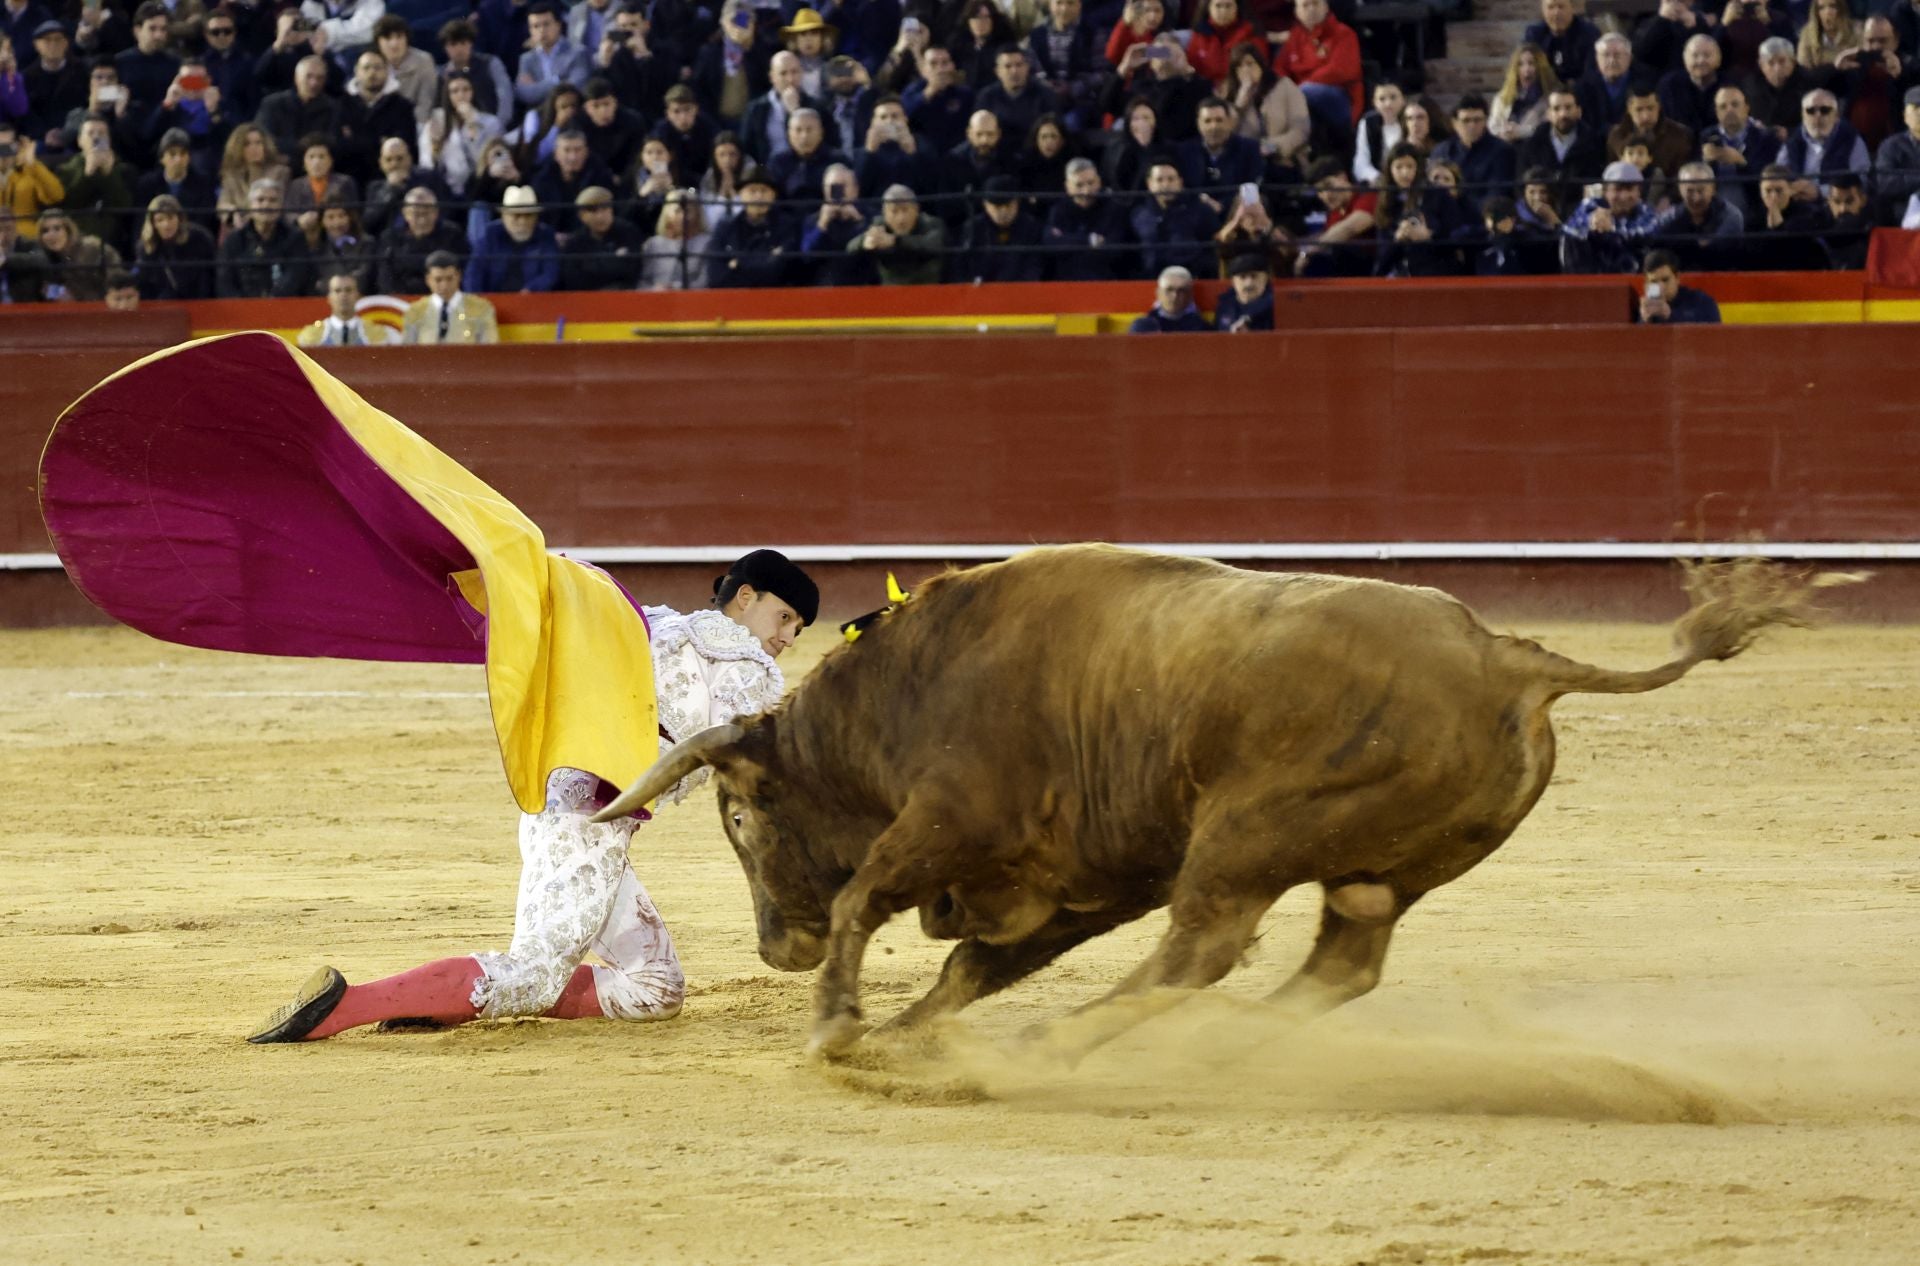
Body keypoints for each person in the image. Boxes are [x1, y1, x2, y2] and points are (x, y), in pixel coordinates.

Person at [249, 548, 820, 1044]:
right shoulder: (750, 668)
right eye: (785, 616)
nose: (787, 639)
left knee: (655, 988)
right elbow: (758, 766)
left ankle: (438, 1000)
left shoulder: (650, 623)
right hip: (590, 824)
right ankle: (349, 1004)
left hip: (566, 801)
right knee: (534, 974)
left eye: (798, 630)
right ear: (745, 596)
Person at [1273, 0, 1360, 151]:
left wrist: (1296, 90)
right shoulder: (1294, 38)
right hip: (1303, 102)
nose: (1311, 9)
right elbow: (1279, 69)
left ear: (1326, 7)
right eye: (1305, 5)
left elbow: (1340, 70)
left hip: (1340, 99)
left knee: (1306, 93)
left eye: (1315, 4)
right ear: (1297, 11)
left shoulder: (1344, 33)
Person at [1515, 88, 1605, 216]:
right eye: (1557, 109)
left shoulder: (1595, 144)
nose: (1563, 114)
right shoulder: (1532, 144)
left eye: (1568, 108)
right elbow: (1521, 184)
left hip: (1580, 215)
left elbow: (1596, 185)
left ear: (1579, 111)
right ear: (1548, 114)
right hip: (1538, 216)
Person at [216, 177, 310, 296]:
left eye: (273, 200)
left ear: (281, 205)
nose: (267, 205)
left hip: (284, 307)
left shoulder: (295, 238)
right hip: (242, 309)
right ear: (250, 205)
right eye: (260, 200)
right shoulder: (234, 240)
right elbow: (225, 282)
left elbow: (296, 276)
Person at [1562, 158, 1657, 273]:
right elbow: (1571, 227)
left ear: (1638, 192)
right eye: (1617, 189)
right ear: (1605, 192)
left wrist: (1610, 230)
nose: (1624, 196)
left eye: (1629, 189)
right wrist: (1592, 221)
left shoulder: (1646, 211)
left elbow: (1644, 235)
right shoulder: (1591, 204)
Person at [706, 165, 794, 286]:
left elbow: (784, 272)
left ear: (773, 195)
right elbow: (716, 276)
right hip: (734, 299)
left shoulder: (787, 226)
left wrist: (737, 264)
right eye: (752, 190)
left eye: (764, 190)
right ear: (741, 194)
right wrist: (768, 260)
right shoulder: (726, 228)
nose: (758, 196)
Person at [1044, 155, 1129, 279]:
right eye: (1079, 185)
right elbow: (1051, 243)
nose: (1086, 191)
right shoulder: (1059, 210)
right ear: (1068, 187)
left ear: (1099, 181)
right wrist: (1090, 240)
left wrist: (1069, 242)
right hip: (1067, 282)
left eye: (1090, 183)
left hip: (1106, 281)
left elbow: (1115, 250)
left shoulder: (1113, 209)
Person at [466, 183, 560, 292]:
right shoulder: (490, 234)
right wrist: (479, 301)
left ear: (536, 217)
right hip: (494, 299)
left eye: (528, 215)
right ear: (504, 216)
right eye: (516, 215)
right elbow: (474, 273)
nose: (523, 221)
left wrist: (532, 289)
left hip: (534, 300)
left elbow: (551, 272)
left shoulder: (545, 235)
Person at [1432, 94, 1516, 215]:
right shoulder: (1442, 151)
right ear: (1454, 123)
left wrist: (1458, 197)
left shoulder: (1502, 151)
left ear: (1485, 121)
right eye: (1466, 120)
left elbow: (1496, 197)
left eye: (1477, 120)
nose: (1472, 126)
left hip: (1482, 222)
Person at [1652, 161, 1744, 271]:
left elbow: (1721, 250)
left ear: (1713, 188)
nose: (1696, 198)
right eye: (1689, 191)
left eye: (1701, 191)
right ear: (1680, 189)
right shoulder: (1669, 217)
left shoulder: (1731, 215)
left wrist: (1686, 244)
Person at [1782, 87, 1869, 201]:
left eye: (1825, 110)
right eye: (1811, 111)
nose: (1817, 116)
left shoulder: (1852, 139)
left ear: (1837, 115)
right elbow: (1778, 176)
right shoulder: (1792, 141)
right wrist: (1793, 189)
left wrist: (1820, 191)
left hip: (1836, 207)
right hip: (1798, 204)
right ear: (1803, 115)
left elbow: (1862, 181)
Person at [848, 182, 944, 283]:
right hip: (891, 294)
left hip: (927, 291)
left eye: (905, 210)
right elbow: (850, 247)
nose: (901, 219)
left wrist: (895, 241)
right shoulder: (880, 225)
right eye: (894, 211)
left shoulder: (931, 223)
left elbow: (934, 244)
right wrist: (865, 242)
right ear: (885, 213)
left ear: (916, 209)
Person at [959, 171, 1041, 282]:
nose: (1004, 212)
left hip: (1020, 291)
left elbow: (1034, 266)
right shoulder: (974, 227)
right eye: (997, 207)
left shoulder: (1030, 226)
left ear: (1017, 203)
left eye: (1008, 205)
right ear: (986, 205)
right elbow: (965, 267)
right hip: (983, 290)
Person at [402, 249, 499, 341]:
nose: (444, 285)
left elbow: (490, 349)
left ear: (458, 276)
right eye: (438, 280)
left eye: (449, 279)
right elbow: (407, 351)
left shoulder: (481, 308)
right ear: (428, 280)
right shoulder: (415, 311)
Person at [559, 183, 643, 288]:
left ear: (612, 209)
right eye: (593, 210)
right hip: (587, 299)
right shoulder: (575, 242)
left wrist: (592, 268)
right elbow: (572, 279)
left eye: (604, 208)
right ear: (582, 216)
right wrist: (612, 263)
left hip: (622, 297)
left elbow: (632, 271)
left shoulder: (629, 232)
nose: (600, 216)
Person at [133, 191, 215, 299]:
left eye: (171, 218)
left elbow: (210, 276)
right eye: (160, 220)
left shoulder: (199, 238)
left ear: (179, 218)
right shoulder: (146, 247)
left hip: (199, 301)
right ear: (152, 223)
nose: (166, 225)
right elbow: (144, 284)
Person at [34, 207, 120, 299]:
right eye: (45, 231)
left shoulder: (92, 248)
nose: (51, 235)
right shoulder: (49, 258)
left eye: (57, 228)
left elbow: (117, 281)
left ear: (68, 230)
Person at [640, 186, 711, 289]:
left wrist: (676, 288)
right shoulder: (653, 244)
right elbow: (642, 281)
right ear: (667, 213)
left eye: (687, 211)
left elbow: (705, 281)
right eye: (677, 211)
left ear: (697, 215)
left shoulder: (707, 243)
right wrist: (654, 290)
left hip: (693, 301)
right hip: (656, 300)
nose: (682, 216)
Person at [1491, 43, 1560, 142]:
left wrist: (1520, 132)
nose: (1526, 69)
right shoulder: (1504, 96)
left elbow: (1549, 127)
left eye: (1531, 63)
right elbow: (1492, 125)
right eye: (1520, 64)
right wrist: (1504, 130)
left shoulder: (1551, 97)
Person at [1522, 0, 1600, 84]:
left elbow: (1591, 73)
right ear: (1543, 10)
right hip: (1544, 90)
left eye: (1561, 7)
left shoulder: (1588, 33)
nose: (1556, 12)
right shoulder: (1534, 34)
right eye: (1551, 7)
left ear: (1572, 8)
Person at [1637, 247, 1719, 322]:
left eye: (1665, 280)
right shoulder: (1644, 309)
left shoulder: (1701, 302)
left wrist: (1670, 315)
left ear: (1677, 278)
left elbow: (1712, 333)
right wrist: (1645, 321)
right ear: (1647, 284)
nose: (1660, 287)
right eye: (1654, 282)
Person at [296, 271, 376, 345]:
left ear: (358, 296)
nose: (343, 295)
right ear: (329, 297)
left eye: (348, 290)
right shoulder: (309, 336)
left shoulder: (379, 334)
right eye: (337, 291)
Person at [1127, 263, 1208, 332]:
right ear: (1158, 293)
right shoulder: (1143, 328)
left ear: (1190, 295)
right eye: (1169, 290)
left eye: (1181, 290)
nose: (1175, 295)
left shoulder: (1203, 329)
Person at [1212, 251, 1271, 331]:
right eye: (1242, 277)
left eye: (1254, 276)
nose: (1248, 283)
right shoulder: (1224, 306)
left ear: (1265, 279)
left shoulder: (1277, 306)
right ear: (1233, 281)